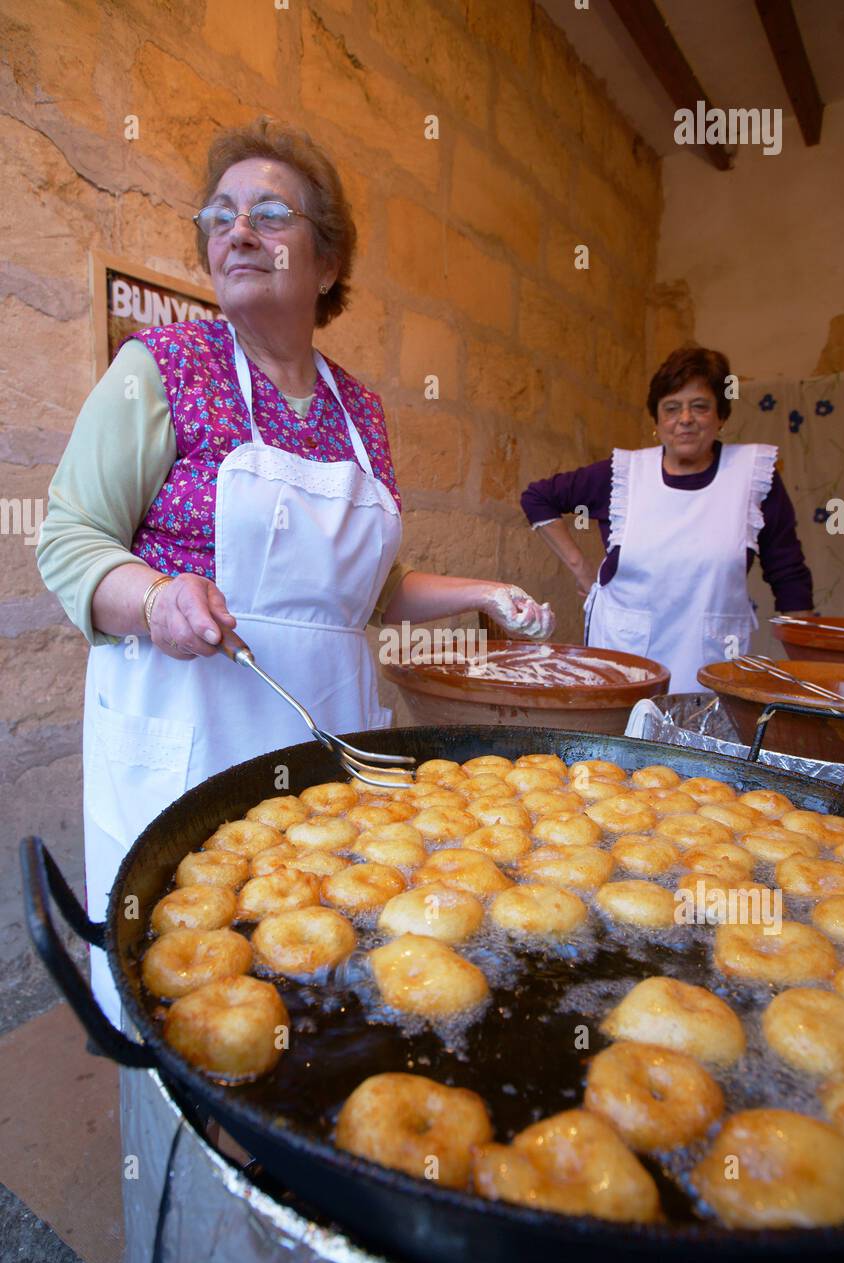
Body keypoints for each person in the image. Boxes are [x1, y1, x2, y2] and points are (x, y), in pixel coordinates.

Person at [37, 117, 554, 1025]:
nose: (238, 231)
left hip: (328, 745)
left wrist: (480, 594)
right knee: (191, 989)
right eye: (222, 214)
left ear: (326, 263)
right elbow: (71, 538)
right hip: (192, 737)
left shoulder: (361, 410)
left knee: (323, 978)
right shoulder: (158, 368)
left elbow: (368, 596)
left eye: (271, 214)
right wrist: (155, 598)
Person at [520, 345, 813, 692]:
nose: (685, 419)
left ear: (721, 416)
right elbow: (538, 497)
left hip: (711, 663)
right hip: (623, 656)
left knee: (703, 744)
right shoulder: (623, 475)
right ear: (657, 421)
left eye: (700, 406)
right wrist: (585, 573)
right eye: (671, 408)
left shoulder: (753, 475)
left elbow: (788, 574)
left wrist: (807, 672)